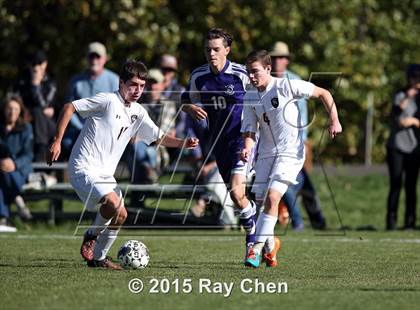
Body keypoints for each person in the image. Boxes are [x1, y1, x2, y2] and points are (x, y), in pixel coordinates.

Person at [47, 60, 198, 269]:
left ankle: (99, 258)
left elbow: (158, 137)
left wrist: (183, 143)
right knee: (113, 204)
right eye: (133, 85)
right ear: (121, 83)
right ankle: (91, 235)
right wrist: (57, 141)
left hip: (106, 174)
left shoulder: (138, 112)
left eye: (142, 86)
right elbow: (69, 107)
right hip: (84, 166)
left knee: (122, 214)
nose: (137, 90)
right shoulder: (108, 100)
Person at [241, 50, 342, 268]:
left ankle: (255, 250)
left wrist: (334, 120)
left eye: (255, 71)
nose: (251, 76)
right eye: (248, 72)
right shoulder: (249, 94)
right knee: (260, 205)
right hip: (265, 154)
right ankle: (271, 247)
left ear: (268, 69)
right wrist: (248, 148)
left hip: (290, 154)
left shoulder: (286, 86)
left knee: (273, 198)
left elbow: (324, 93)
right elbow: (249, 129)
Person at [181, 28, 257, 261]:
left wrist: (252, 138)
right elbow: (185, 98)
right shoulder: (199, 76)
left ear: (227, 50)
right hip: (219, 144)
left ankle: (252, 244)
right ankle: (255, 221)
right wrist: (190, 107)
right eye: (208, 49)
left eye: (216, 49)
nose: (211, 54)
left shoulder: (241, 75)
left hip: (242, 139)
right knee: (237, 197)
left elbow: (259, 103)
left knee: (235, 190)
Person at [269, 41, 326, 230]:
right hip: (271, 144)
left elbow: (303, 115)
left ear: (287, 60)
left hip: (297, 142)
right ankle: (300, 220)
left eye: (281, 57)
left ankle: (312, 220)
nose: (278, 61)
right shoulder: (265, 81)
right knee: (285, 184)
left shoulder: (294, 80)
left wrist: (301, 142)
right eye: (275, 57)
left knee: (302, 185)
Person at [62, 42, 119, 158]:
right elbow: (69, 109)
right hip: (79, 131)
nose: (94, 60)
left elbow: (119, 109)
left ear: (105, 59)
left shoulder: (114, 80)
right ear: (87, 59)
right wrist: (81, 128)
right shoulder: (75, 81)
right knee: (66, 142)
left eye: (97, 57)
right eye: (91, 56)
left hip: (106, 132)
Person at [385, 64, 420, 230]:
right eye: (414, 78)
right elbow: (395, 116)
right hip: (397, 147)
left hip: (414, 148)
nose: (416, 81)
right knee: (395, 184)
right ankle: (391, 222)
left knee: (411, 186)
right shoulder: (400, 95)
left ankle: (410, 222)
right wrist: (407, 96)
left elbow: (412, 120)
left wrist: (414, 121)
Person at [15, 50, 57, 161]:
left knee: (38, 112)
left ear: (45, 64)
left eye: (39, 63)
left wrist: (35, 85)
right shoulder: (22, 81)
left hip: (47, 125)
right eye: (33, 64)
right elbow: (16, 102)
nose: (36, 67)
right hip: (26, 120)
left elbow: (44, 106)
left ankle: (40, 154)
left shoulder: (50, 83)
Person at [0, 94, 34, 232]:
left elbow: (28, 154)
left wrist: (14, 163)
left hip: (20, 170)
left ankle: (3, 218)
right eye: (9, 108)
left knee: (5, 175)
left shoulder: (26, 128)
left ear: (20, 110)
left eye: (15, 109)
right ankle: (18, 199)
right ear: (3, 110)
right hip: (1, 168)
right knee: (2, 174)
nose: (12, 112)